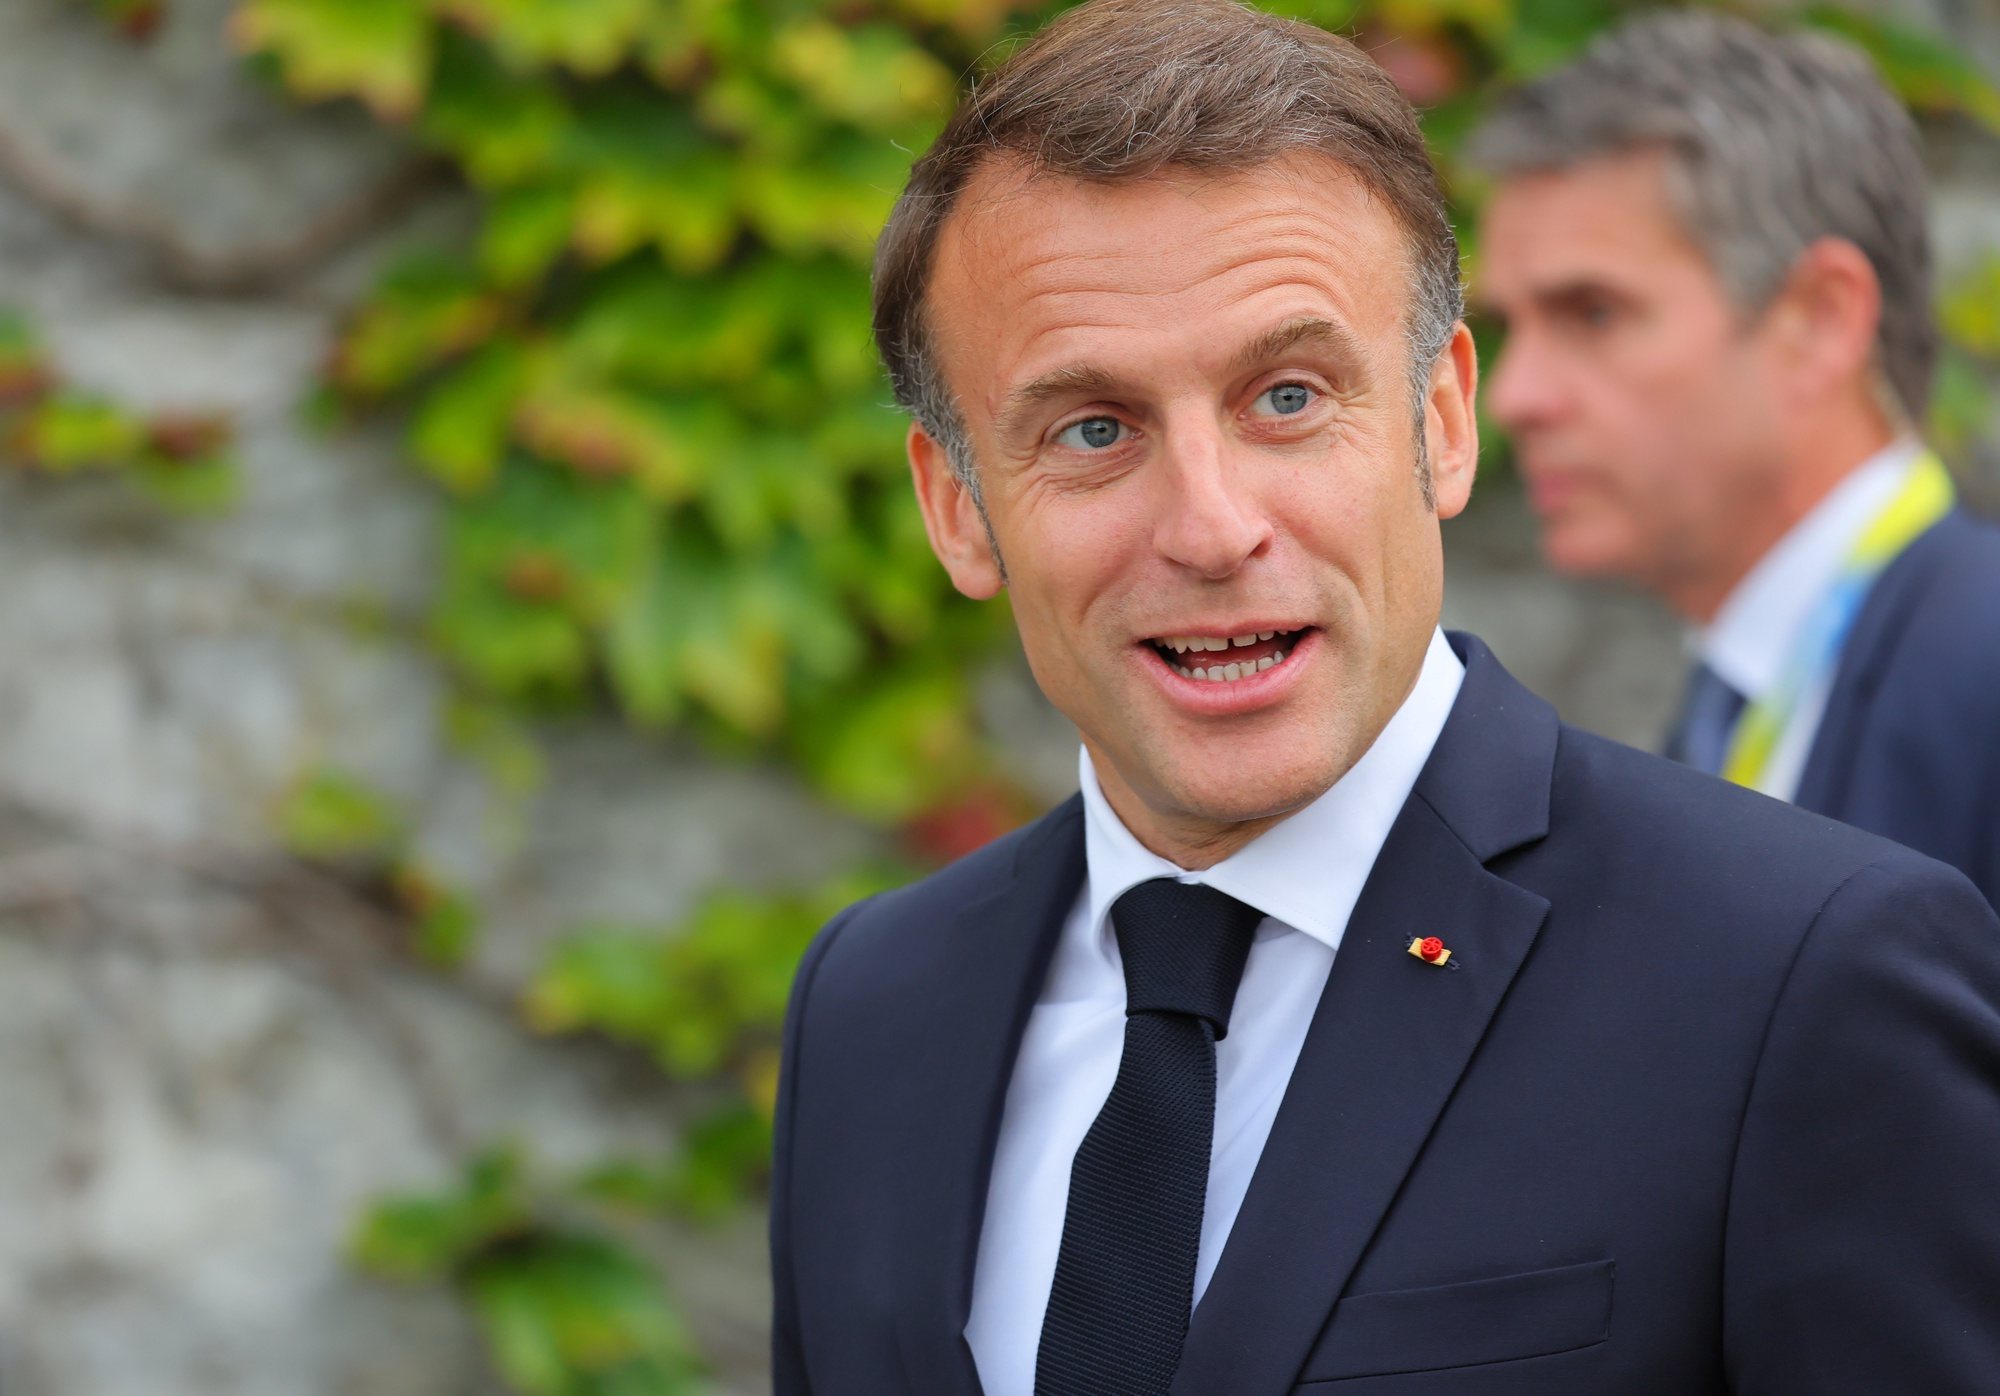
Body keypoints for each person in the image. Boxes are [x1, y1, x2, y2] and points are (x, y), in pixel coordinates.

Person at [770, 2, 2000, 1392]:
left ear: (1443, 421)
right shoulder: (870, 1005)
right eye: (1094, 430)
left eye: (1287, 397)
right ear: (958, 510)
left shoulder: (1803, 978)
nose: (1212, 525)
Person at [1471, 11, 2000, 906]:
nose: (1515, 394)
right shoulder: (1748, 691)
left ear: (1821, 320)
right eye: (1508, 326)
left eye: (1593, 312)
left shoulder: (1976, 668)